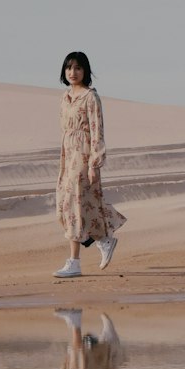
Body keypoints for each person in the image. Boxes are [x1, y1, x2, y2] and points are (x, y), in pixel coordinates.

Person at [54, 50, 126, 279]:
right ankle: (104, 239)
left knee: (75, 206)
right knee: (68, 204)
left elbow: (97, 131)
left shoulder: (90, 97)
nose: (72, 72)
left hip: (84, 155)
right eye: (69, 68)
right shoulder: (65, 98)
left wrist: (95, 163)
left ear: (85, 71)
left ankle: (74, 262)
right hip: (68, 154)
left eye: (77, 68)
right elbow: (65, 129)